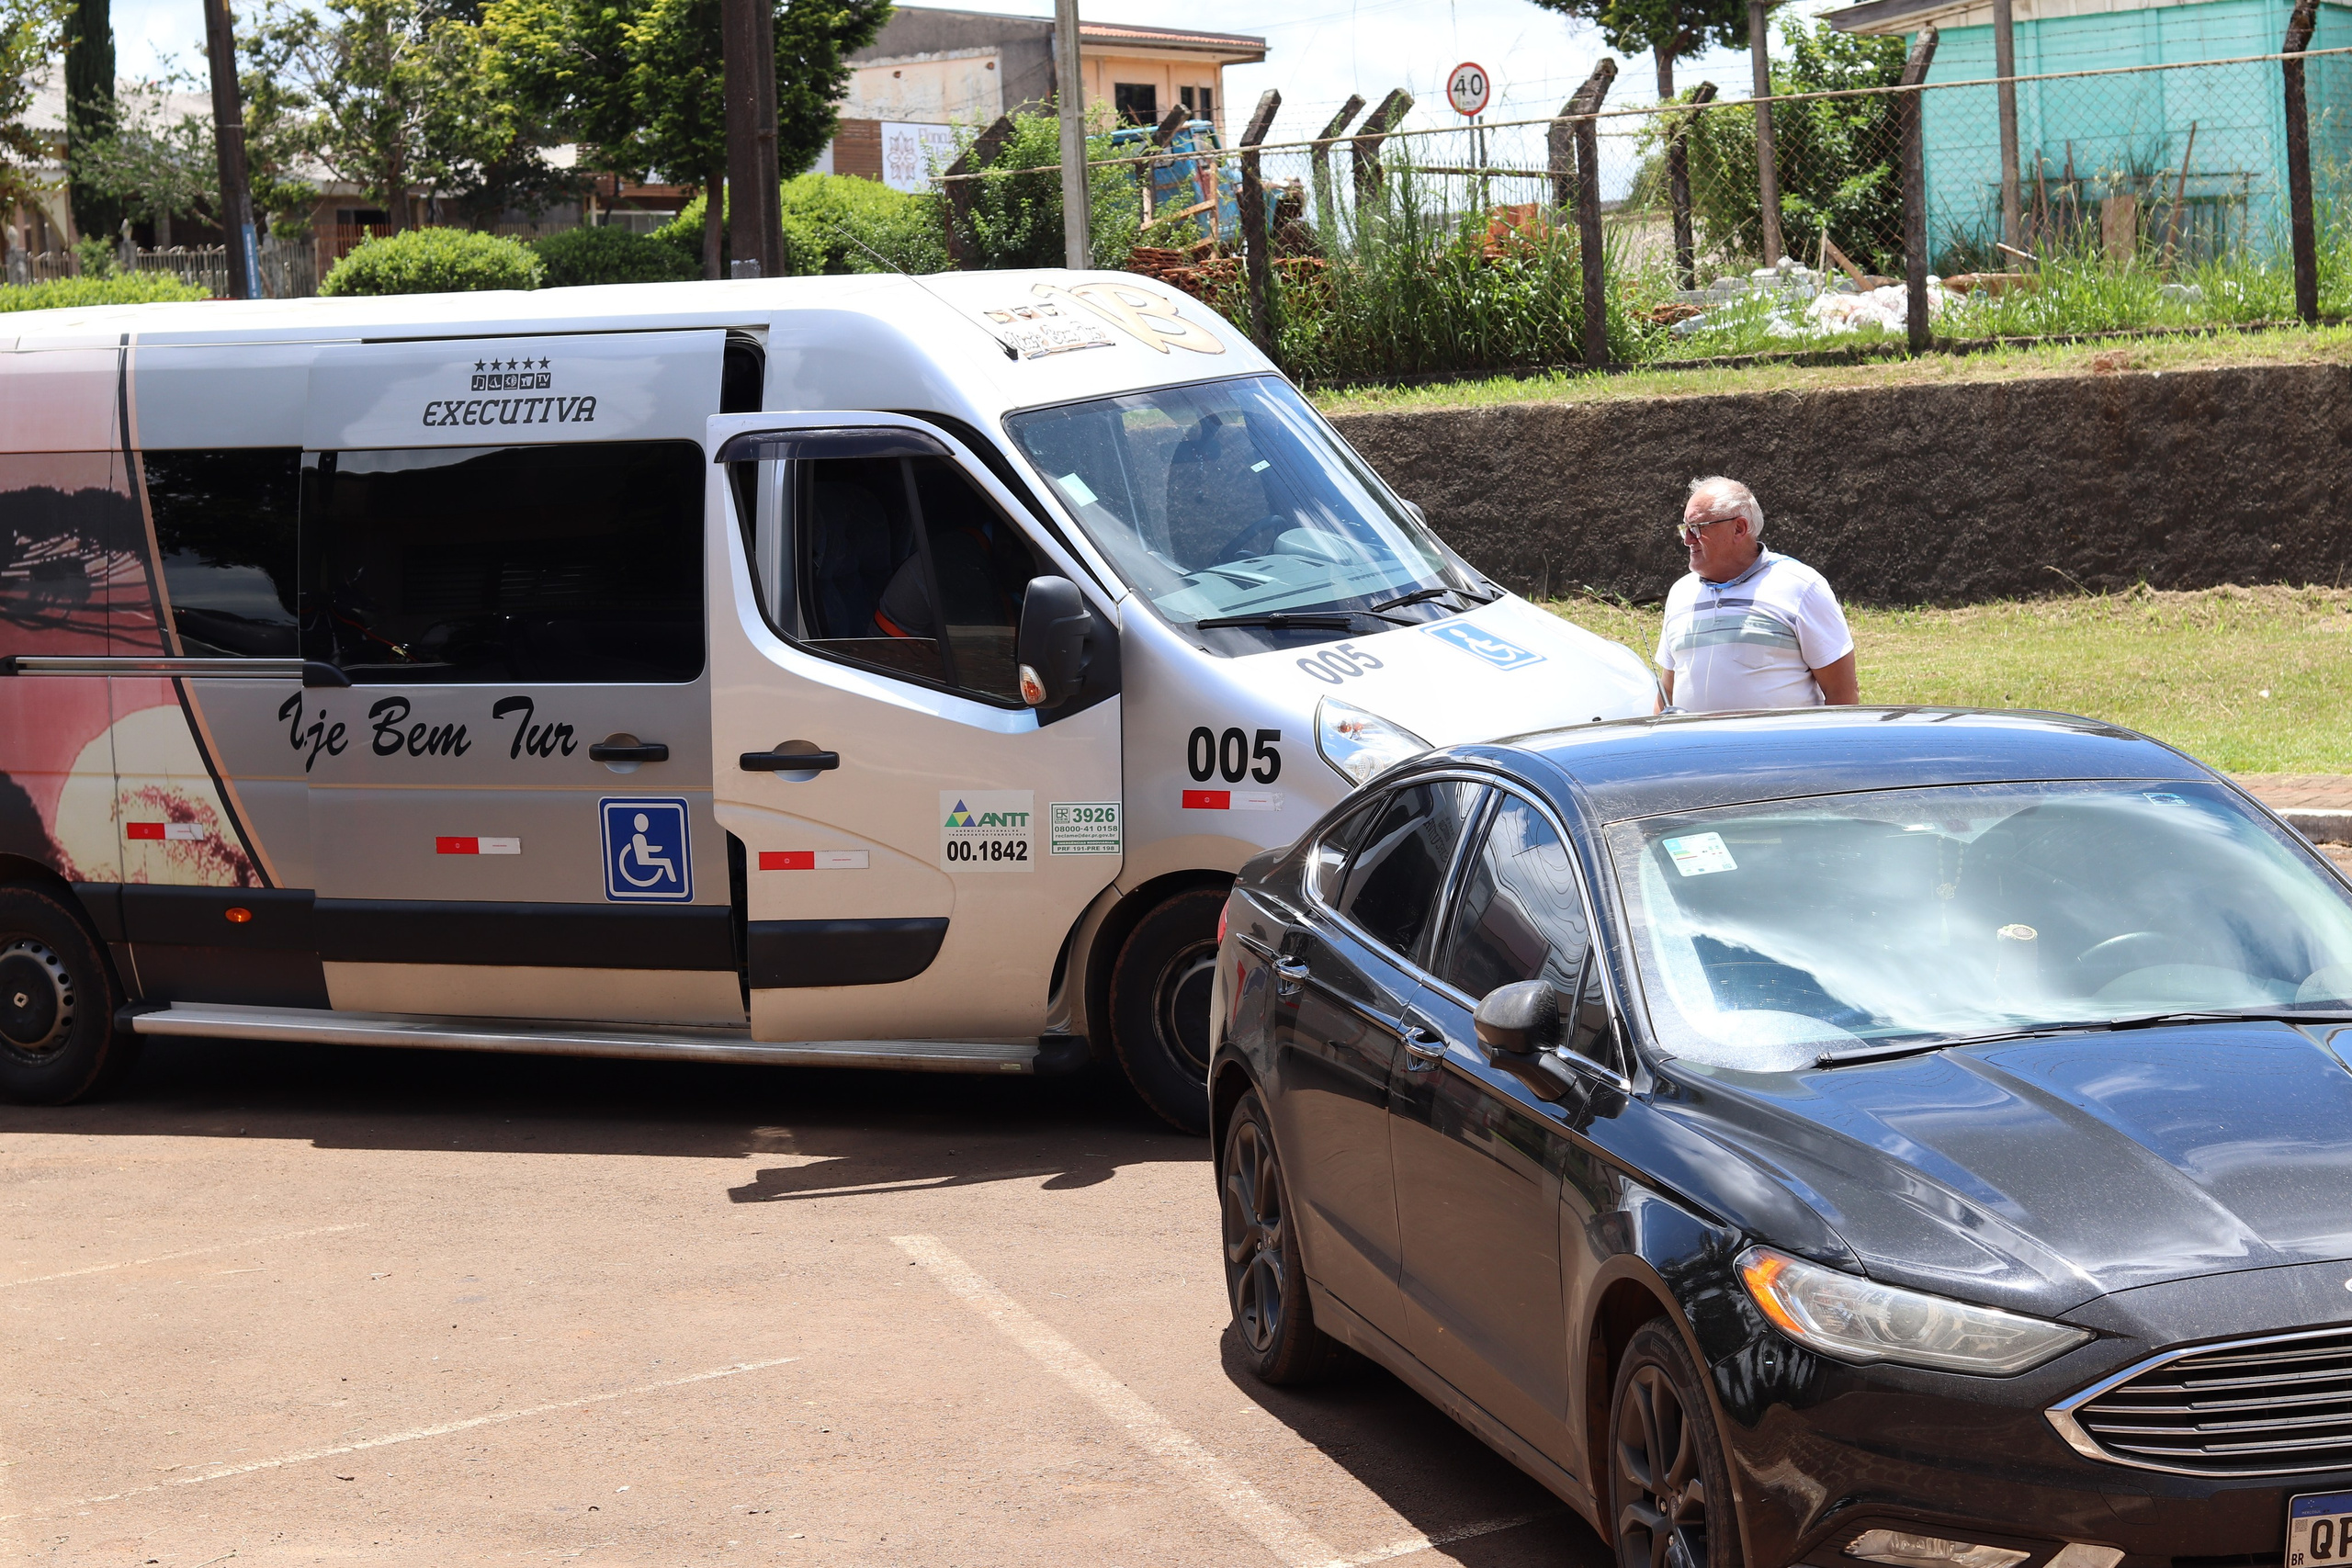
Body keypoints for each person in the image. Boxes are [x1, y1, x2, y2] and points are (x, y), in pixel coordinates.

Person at [1656, 477, 1859, 713]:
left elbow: (1842, 692)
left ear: (1739, 528)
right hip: (1694, 749)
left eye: (1697, 528)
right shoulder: (1681, 592)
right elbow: (1666, 692)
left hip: (1778, 750)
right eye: (1685, 529)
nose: (1688, 540)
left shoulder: (1801, 587)